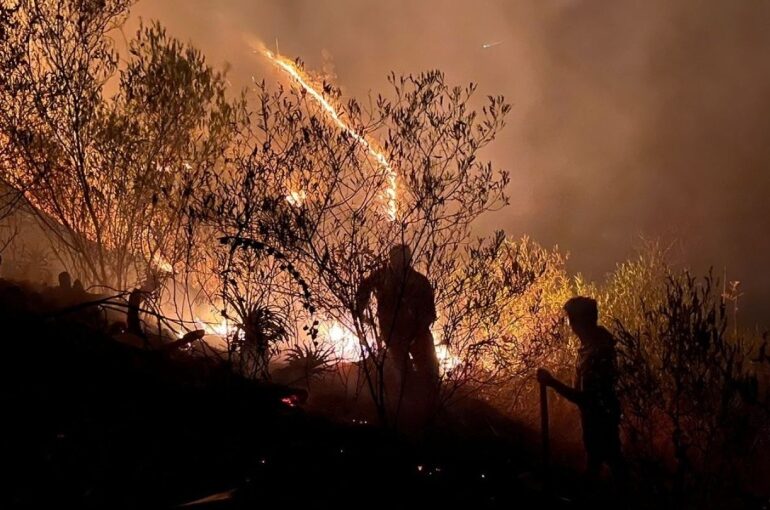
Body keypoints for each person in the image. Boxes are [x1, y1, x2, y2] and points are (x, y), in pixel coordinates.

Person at [537, 296, 625, 479]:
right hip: (596, 422)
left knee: (610, 467)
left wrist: (552, 382)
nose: (569, 323)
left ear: (579, 321)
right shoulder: (592, 348)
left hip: (601, 423)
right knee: (607, 465)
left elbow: (586, 398)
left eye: (571, 318)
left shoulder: (598, 353)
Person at [355, 244, 440, 400]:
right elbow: (363, 290)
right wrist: (362, 314)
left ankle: (429, 404)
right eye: (397, 258)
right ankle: (410, 405)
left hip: (417, 334)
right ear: (392, 259)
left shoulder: (419, 282)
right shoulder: (382, 277)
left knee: (429, 371)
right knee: (405, 373)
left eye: (404, 258)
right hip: (393, 334)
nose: (400, 261)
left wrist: (417, 330)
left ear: (409, 259)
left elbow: (429, 313)